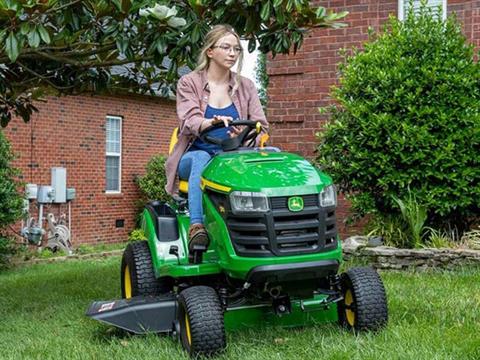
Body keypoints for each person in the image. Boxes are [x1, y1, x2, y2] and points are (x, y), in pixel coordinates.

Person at [165, 24, 268, 253]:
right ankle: (197, 227)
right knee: (202, 157)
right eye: (226, 47)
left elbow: (261, 125)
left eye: (236, 49)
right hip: (194, 155)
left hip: (233, 157)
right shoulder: (189, 83)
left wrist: (244, 135)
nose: (233, 53)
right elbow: (189, 120)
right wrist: (209, 123)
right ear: (210, 51)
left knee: (276, 155)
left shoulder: (246, 86)